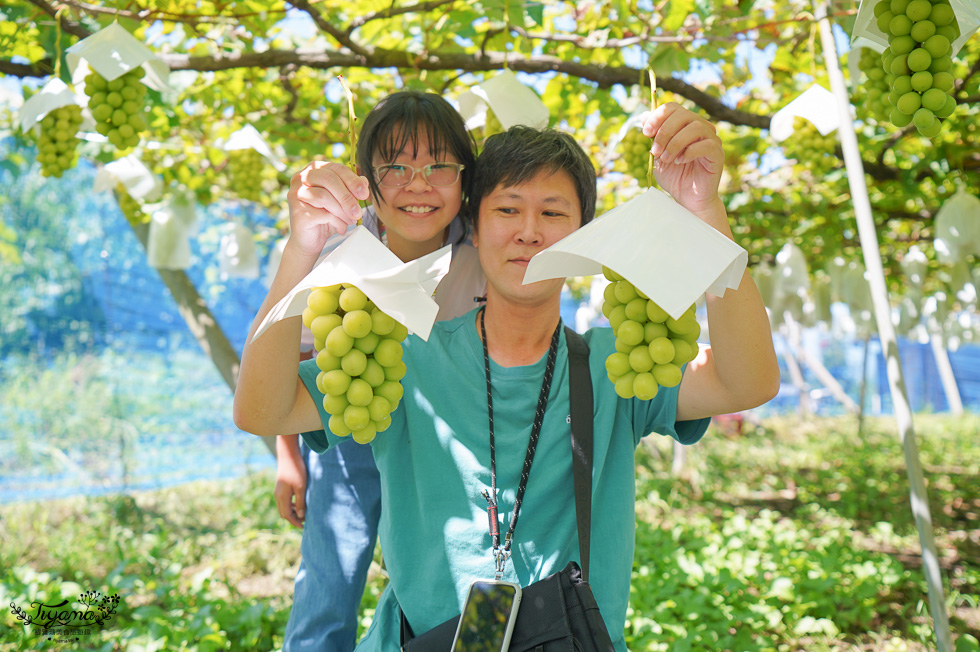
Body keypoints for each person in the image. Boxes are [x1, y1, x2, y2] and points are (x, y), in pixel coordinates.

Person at [235, 104, 780, 650]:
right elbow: (261, 411)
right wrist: (302, 249)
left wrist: (704, 211)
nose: (527, 232)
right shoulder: (404, 361)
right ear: (473, 225)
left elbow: (746, 381)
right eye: (508, 209)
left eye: (552, 213)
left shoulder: (614, 367)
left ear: (584, 236)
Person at [271, 89, 485, 651]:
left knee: (448, 590)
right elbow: (285, 360)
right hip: (349, 434)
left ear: (466, 176)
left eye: (440, 164)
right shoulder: (334, 254)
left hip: (451, 445)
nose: (419, 183)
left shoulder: (487, 255)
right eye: (397, 166)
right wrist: (288, 457)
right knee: (327, 589)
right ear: (366, 178)